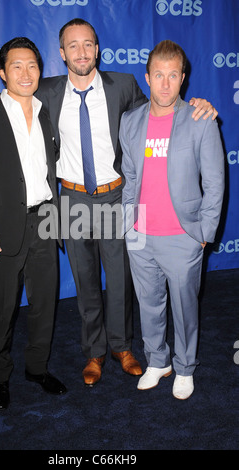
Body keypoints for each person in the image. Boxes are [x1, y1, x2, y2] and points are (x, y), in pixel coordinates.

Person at [0, 18, 218, 388]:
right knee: (85, 280)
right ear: (61, 53)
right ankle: (94, 352)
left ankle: (123, 348)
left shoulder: (124, 85)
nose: (82, 52)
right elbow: (13, 95)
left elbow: (162, 112)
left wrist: (198, 103)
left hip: (119, 197)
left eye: (88, 44)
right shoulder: (47, 92)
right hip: (70, 200)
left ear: (97, 49)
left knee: (122, 278)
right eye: (73, 45)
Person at [0, 37, 67, 411]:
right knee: (3, 309)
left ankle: (37, 369)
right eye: (16, 66)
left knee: (44, 305)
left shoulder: (46, 110)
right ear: (2, 72)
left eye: (32, 65)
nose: (25, 72)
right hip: (1, 228)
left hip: (45, 221)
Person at [119, 40, 224, 400]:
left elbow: (214, 181)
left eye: (173, 76)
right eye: (158, 75)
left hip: (183, 235)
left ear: (183, 79)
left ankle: (184, 366)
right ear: (147, 77)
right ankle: (157, 360)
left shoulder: (200, 120)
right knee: (148, 305)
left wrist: (204, 232)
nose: (165, 84)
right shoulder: (131, 121)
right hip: (140, 233)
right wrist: (128, 225)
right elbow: (130, 176)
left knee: (184, 308)